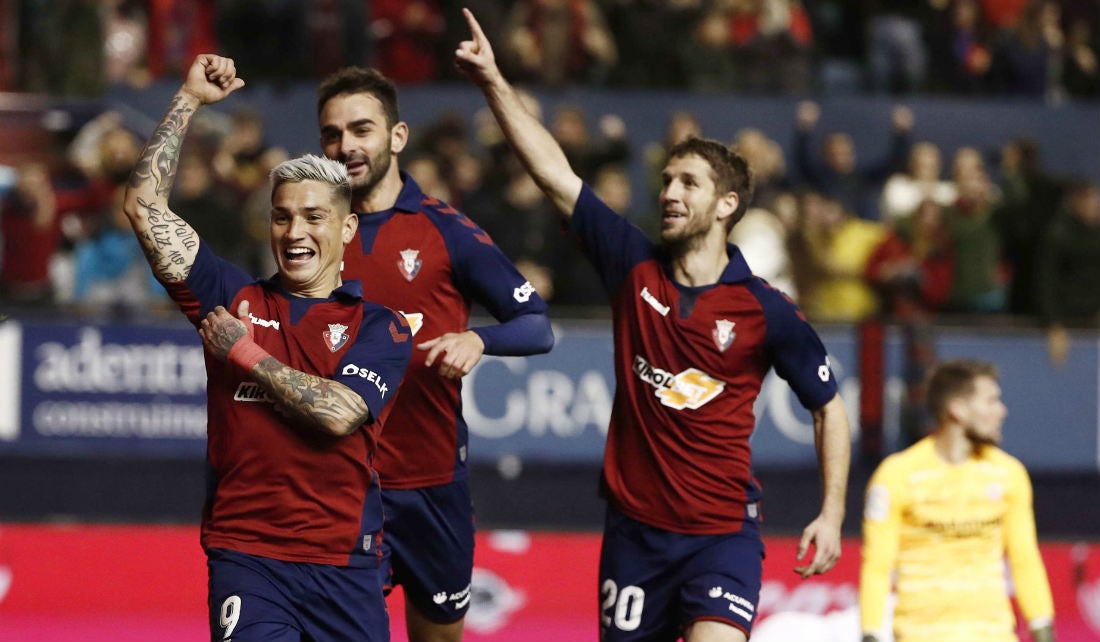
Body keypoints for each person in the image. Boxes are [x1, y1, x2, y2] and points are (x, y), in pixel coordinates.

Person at [455, 10, 851, 642]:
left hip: (722, 537)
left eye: (688, 183)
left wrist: (831, 514)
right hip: (635, 536)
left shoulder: (766, 309)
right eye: (666, 179)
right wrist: (494, 83)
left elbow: (829, 406)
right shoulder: (632, 264)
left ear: (726, 206)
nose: (669, 191)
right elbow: (555, 176)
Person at [122, 54, 412, 642]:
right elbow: (144, 210)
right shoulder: (232, 295)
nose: (295, 233)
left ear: (347, 229)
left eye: (312, 217)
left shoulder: (382, 327)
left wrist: (245, 353)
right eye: (281, 218)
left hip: (345, 568)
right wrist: (189, 99)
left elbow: (337, 414)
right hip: (247, 558)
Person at [315, 64, 554, 642]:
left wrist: (478, 338)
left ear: (396, 138)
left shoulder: (445, 231)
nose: (346, 145)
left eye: (361, 129)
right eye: (331, 133)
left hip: (432, 486)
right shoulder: (311, 233)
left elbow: (535, 324)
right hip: (342, 484)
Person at [859, 359, 1056, 642]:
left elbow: (1024, 560)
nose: (1001, 411)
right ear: (958, 410)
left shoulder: (1009, 474)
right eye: (991, 401)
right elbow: (877, 566)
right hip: (920, 635)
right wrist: (871, 634)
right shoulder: (896, 475)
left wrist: (1043, 629)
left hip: (993, 635)